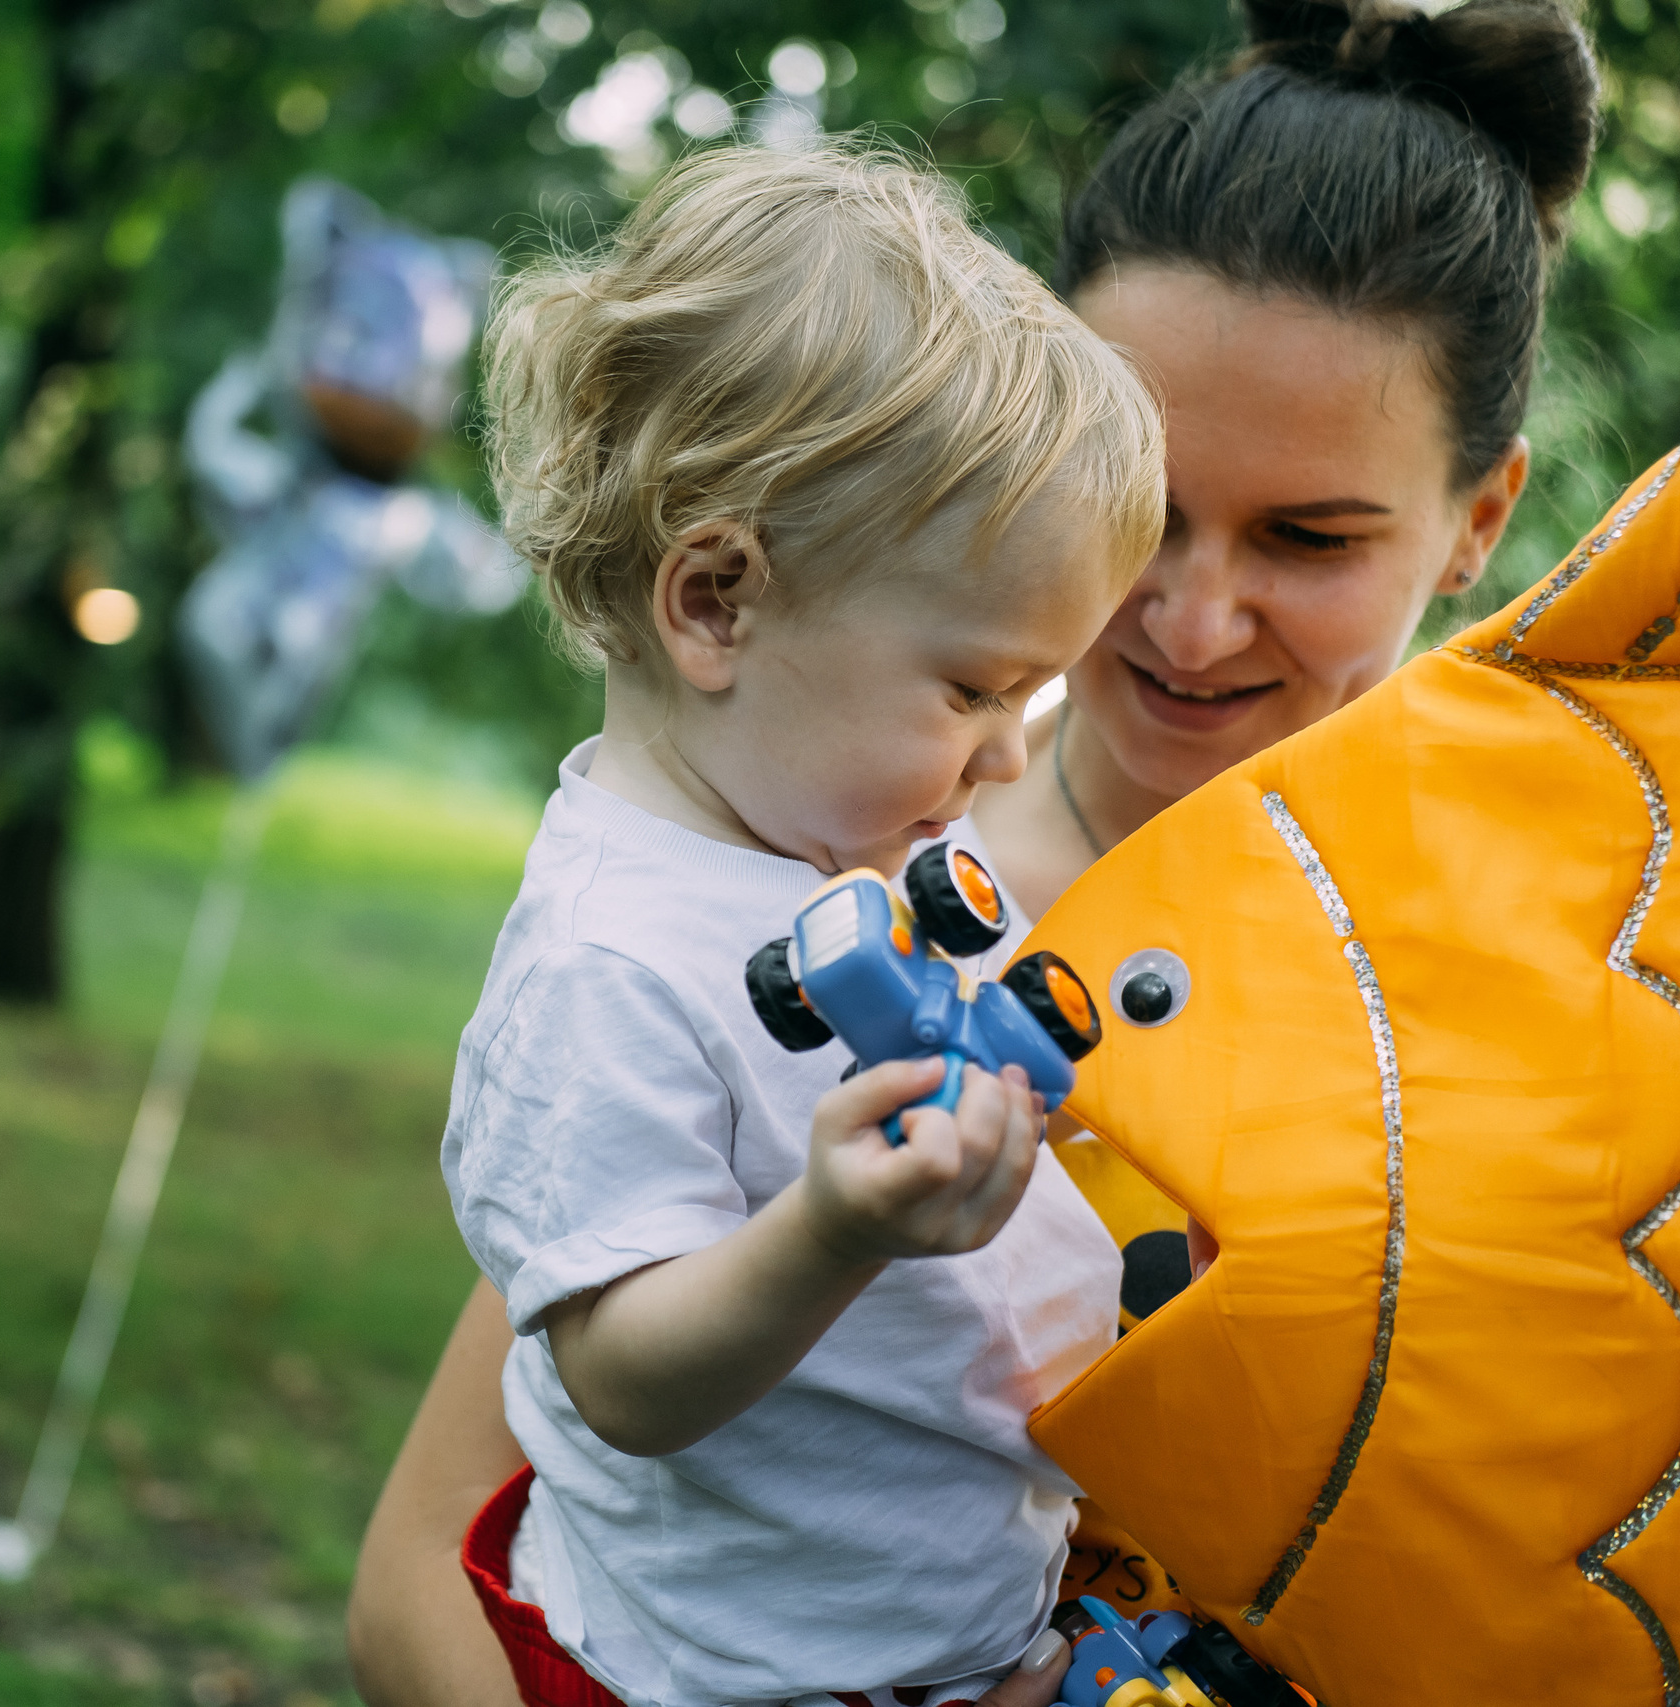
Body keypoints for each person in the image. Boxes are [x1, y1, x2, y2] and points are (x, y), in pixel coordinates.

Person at [348, 3, 1680, 1702]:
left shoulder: (1584, 940)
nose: (1187, 614)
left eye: (1309, 535)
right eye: (1143, 511)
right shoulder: (820, 895)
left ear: (1478, 518)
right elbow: (441, 1565)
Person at [435, 140, 1166, 1707]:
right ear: (716, 603)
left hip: (960, 1639)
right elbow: (619, 1373)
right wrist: (833, 1231)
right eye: (972, 687)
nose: (1011, 752)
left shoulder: (815, 854)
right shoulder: (609, 963)